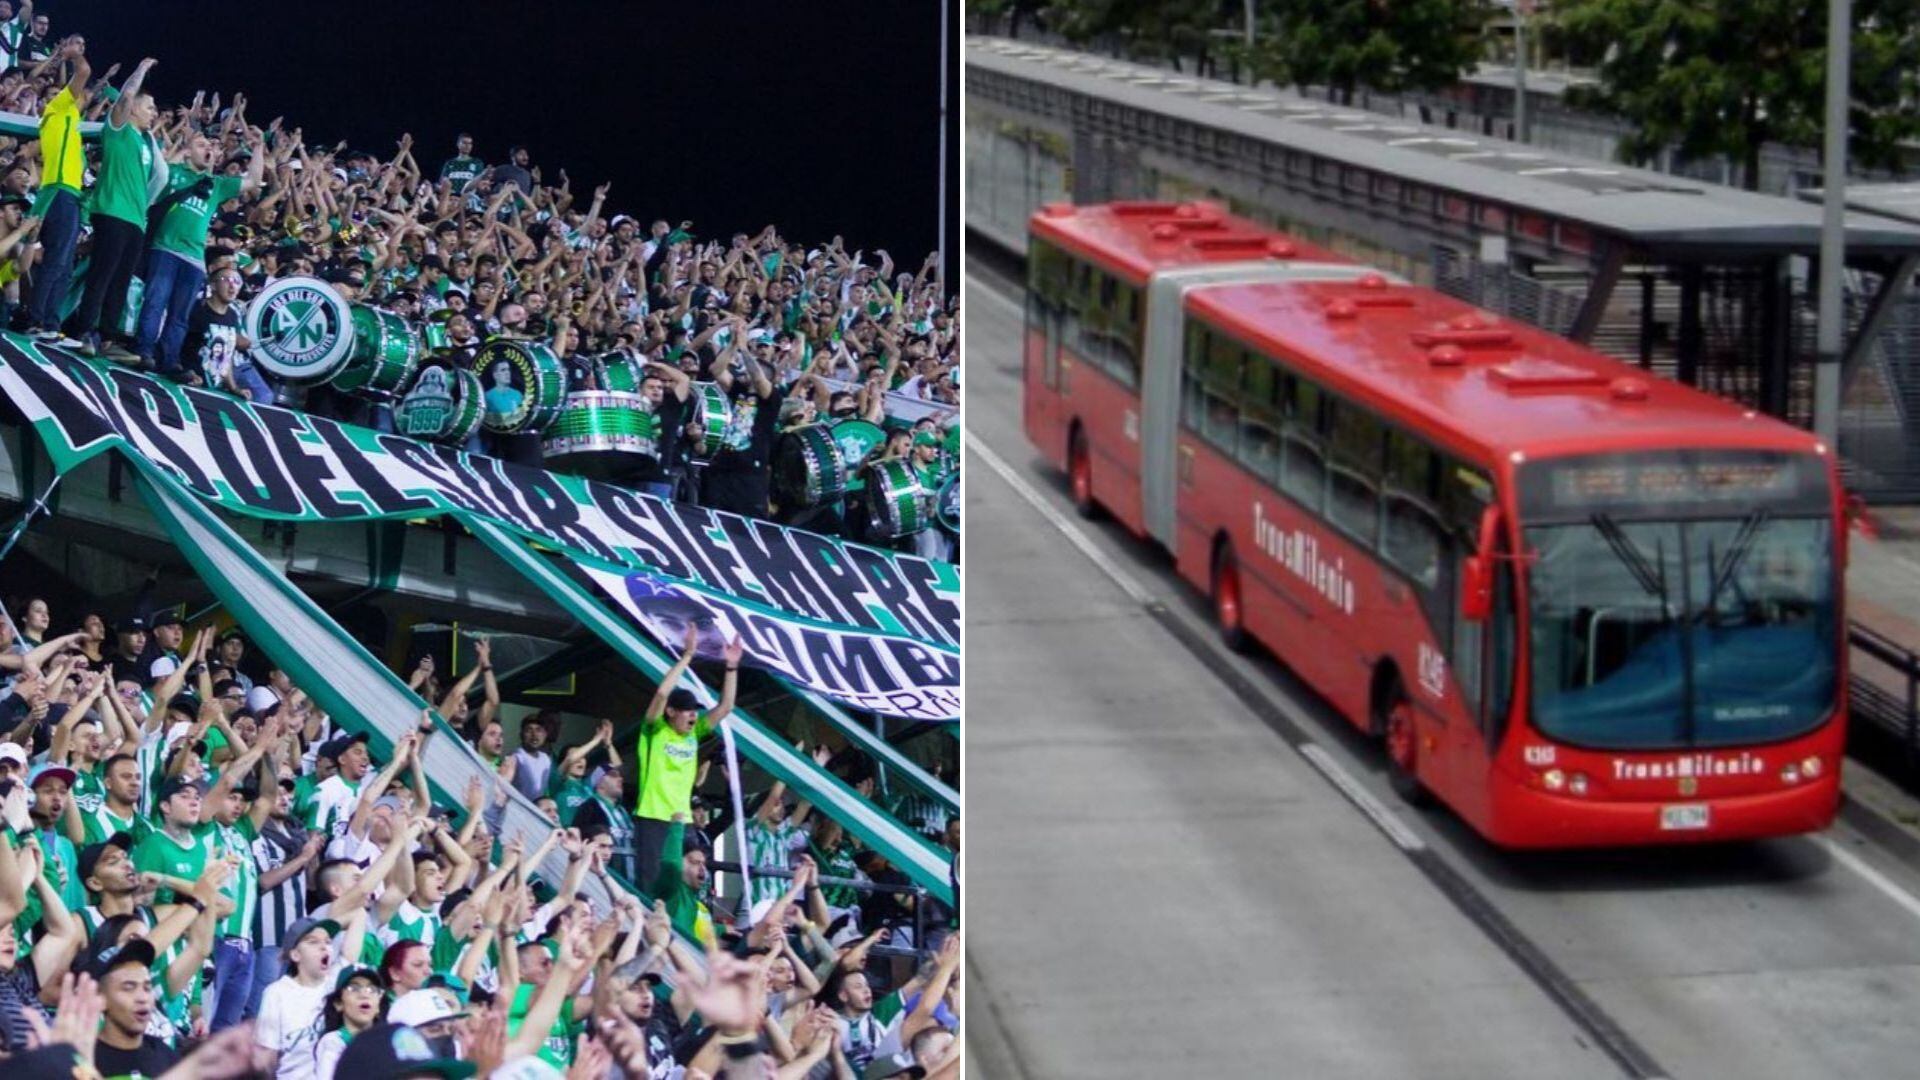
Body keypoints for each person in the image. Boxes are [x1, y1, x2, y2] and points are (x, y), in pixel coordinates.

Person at [135, 128, 264, 376]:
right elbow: (153, 172)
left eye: (211, 146)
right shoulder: (172, 174)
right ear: (187, 152)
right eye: (201, 145)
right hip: (165, 248)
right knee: (154, 303)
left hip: (194, 259)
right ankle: (144, 352)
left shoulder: (216, 184)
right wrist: (178, 151)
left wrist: (258, 147)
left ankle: (169, 361)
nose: (208, 149)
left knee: (180, 316)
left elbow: (254, 180)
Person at [631, 629, 740, 887]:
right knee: (654, 883)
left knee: (686, 881)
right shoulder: (655, 731)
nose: (693, 716)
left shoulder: (694, 734)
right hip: (653, 816)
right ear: (671, 712)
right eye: (687, 711)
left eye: (695, 712)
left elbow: (725, 707)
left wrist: (732, 667)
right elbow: (660, 695)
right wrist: (687, 656)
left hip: (684, 821)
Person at [69, 55, 160, 360]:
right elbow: (125, 97)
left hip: (136, 220)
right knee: (102, 275)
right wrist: (141, 69)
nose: (154, 113)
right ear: (133, 108)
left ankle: (108, 339)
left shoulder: (146, 142)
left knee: (121, 282)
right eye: (150, 107)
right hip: (111, 211)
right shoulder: (118, 128)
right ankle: (84, 331)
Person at [23, 35, 88, 345]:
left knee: (62, 265)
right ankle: (37, 322)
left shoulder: (71, 124)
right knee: (56, 261)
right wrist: (74, 56)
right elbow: (84, 74)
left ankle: (50, 323)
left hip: (64, 194)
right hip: (59, 192)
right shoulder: (60, 107)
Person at [311, 965, 384, 1080]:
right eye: (354, 988)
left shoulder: (386, 1044)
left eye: (372, 990)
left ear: (378, 1006)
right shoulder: (333, 1042)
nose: (364, 995)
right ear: (339, 1003)